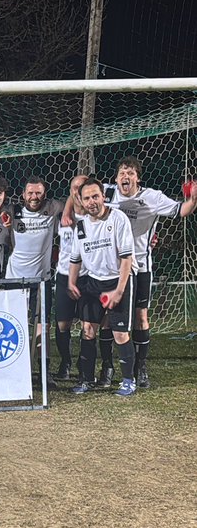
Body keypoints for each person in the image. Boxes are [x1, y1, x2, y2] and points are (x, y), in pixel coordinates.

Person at [104, 157, 197, 388]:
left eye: (131, 173)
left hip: (141, 266)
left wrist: (193, 198)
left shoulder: (152, 197)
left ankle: (140, 367)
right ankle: (107, 367)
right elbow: (78, 192)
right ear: (116, 179)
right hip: (109, 267)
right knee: (106, 318)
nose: (126, 177)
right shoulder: (106, 193)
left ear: (138, 178)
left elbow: (181, 210)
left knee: (141, 316)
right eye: (122, 173)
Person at [68, 177, 138, 397]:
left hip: (119, 279)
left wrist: (119, 291)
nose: (92, 202)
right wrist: (71, 281)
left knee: (119, 334)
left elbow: (126, 259)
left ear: (103, 196)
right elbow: (75, 259)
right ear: (81, 200)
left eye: (95, 196)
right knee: (88, 330)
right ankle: (86, 380)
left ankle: (128, 380)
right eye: (87, 198)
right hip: (94, 282)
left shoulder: (119, 218)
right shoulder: (81, 226)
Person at [4, 175, 66, 369]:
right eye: (30, 192)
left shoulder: (52, 207)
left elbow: (72, 203)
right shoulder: (13, 211)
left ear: (44, 193)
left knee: (43, 326)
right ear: (23, 194)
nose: (34, 196)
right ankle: (16, 367)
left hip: (41, 281)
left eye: (38, 192)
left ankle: (44, 369)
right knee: (14, 325)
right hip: (15, 279)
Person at [53, 174, 88, 380]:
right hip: (64, 275)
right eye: (74, 188)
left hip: (87, 277)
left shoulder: (95, 213)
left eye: (81, 187)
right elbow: (70, 197)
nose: (77, 191)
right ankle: (65, 362)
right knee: (63, 324)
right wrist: (67, 208)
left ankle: (84, 364)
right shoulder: (61, 215)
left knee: (87, 325)